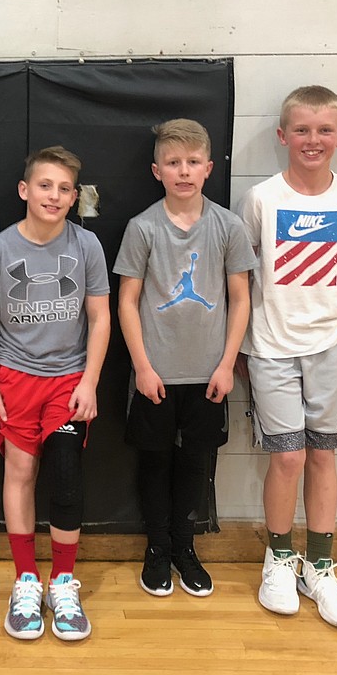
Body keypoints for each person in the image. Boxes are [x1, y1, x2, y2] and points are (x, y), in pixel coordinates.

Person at [240, 86, 337, 629]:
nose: (312, 140)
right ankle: (279, 557)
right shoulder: (260, 198)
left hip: (329, 347)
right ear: (282, 136)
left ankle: (318, 566)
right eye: (301, 130)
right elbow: (241, 278)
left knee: (323, 455)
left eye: (323, 130)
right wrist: (239, 346)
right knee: (288, 457)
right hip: (270, 346)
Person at [0, 146, 110, 641]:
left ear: (75, 197)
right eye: (45, 185)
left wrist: (90, 381)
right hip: (14, 377)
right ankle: (26, 580)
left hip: (68, 379)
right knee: (21, 471)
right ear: (25, 191)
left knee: (66, 474)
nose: (55, 195)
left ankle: (64, 581)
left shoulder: (87, 246)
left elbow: (99, 316)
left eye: (65, 188)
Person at [114, 119, 255, 599]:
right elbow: (126, 302)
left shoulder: (228, 226)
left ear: (209, 168)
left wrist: (226, 364)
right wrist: (143, 367)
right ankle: (156, 548)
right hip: (156, 373)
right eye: (173, 163)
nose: (184, 171)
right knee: (154, 462)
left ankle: (184, 547)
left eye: (193, 162)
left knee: (196, 462)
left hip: (209, 374)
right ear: (157, 170)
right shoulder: (142, 228)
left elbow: (241, 298)